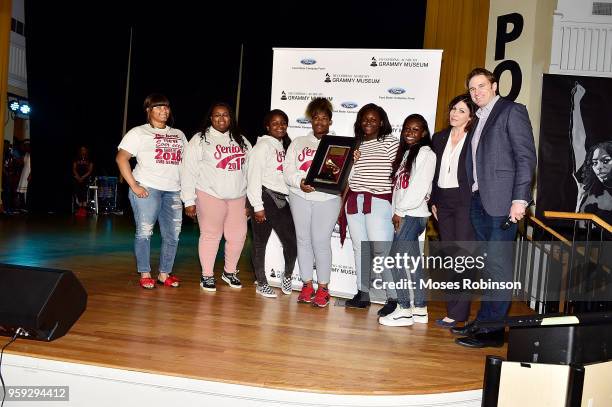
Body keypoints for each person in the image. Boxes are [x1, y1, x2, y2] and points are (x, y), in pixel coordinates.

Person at [452, 68, 536, 348]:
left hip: (503, 204)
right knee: (488, 267)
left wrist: (520, 200)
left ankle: (493, 332)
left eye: (481, 86)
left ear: (494, 85)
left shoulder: (512, 111)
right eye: (472, 89)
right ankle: (484, 321)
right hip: (479, 201)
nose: (476, 92)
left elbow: (526, 157)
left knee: (498, 268)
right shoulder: (478, 119)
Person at [116, 93, 187, 289]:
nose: (163, 110)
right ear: (149, 111)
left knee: (173, 235)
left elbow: (186, 164)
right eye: (158, 107)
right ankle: (145, 273)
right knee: (145, 232)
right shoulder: (139, 132)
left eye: (166, 107)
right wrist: (134, 185)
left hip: (173, 191)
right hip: (148, 188)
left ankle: (164, 274)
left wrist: (187, 193)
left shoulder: (178, 134)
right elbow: (121, 158)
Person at [181, 102, 251, 292]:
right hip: (209, 194)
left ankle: (229, 272)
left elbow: (251, 172)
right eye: (217, 115)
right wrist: (188, 200)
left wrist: (251, 199)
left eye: (225, 115)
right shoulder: (200, 139)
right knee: (211, 235)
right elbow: (188, 170)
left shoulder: (241, 140)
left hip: (238, 196)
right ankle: (207, 276)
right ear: (210, 118)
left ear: (231, 117)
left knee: (238, 236)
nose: (221, 119)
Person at [378, 114, 437, 327]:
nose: (410, 133)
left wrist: (400, 211)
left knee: (395, 259)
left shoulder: (426, 153)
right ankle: (420, 309)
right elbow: (400, 188)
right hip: (408, 213)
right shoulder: (407, 154)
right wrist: (398, 208)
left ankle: (404, 309)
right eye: (407, 129)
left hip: (412, 214)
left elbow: (418, 188)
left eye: (416, 129)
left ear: (423, 133)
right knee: (412, 264)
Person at [342, 104, 400, 314]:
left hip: (378, 201)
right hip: (354, 201)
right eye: (364, 119)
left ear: (381, 122)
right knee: (360, 249)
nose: (368, 123)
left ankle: (393, 298)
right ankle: (362, 293)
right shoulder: (356, 145)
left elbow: (399, 174)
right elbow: (349, 177)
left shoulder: (390, 143)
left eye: (373, 119)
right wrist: (352, 163)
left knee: (381, 252)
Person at [284, 97, 341, 308]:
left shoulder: (339, 144)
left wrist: (352, 159)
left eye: (324, 118)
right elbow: (288, 169)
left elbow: (345, 175)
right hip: (300, 196)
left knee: (320, 240)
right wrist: (299, 181)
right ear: (311, 121)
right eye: (316, 118)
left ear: (330, 121)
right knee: (303, 240)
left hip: (327, 198)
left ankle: (323, 288)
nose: (319, 122)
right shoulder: (298, 142)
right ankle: (307, 285)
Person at [430, 94, 477, 328]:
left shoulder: (475, 138)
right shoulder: (438, 138)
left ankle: (459, 313)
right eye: (453, 109)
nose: (454, 114)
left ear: (470, 116)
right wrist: (433, 201)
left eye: (460, 110)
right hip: (442, 201)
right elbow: (432, 172)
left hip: (465, 201)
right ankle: (454, 310)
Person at [247, 109, 297, 298]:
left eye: (283, 123)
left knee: (291, 242)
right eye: (275, 123)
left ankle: (288, 275)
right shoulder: (261, 147)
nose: (280, 126)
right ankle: (261, 282)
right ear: (267, 126)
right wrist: (257, 207)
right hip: (264, 198)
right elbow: (253, 178)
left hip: (281, 199)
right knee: (260, 243)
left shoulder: (284, 147)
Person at [569, 83, 612, 227]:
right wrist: (576, 101)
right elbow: (577, 139)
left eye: (605, 161)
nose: (599, 167)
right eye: (595, 163)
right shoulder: (586, 182)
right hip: (582, 240)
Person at [73, 146, 94, 217]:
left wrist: (83, 177)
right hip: (77, 178)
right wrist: (78, 177)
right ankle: (79, 209)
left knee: (84, 192)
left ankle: (84, 210)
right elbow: (74, 169)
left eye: (84, 150)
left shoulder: (89, 159)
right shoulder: (76, 159)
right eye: (82, 150)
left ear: (86, 151)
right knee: (78, 192)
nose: (83, 151)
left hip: (85, 178)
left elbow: (90, 170)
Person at [16, 139, 31, 213]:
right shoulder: (26, 154)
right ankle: (24, 206)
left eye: (26, 146)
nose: (25, 147)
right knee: (23, 191)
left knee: (27, 191)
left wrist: (30, 175)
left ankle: (27, 207)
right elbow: (21, 162)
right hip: (24, 173)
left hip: (28, 174)